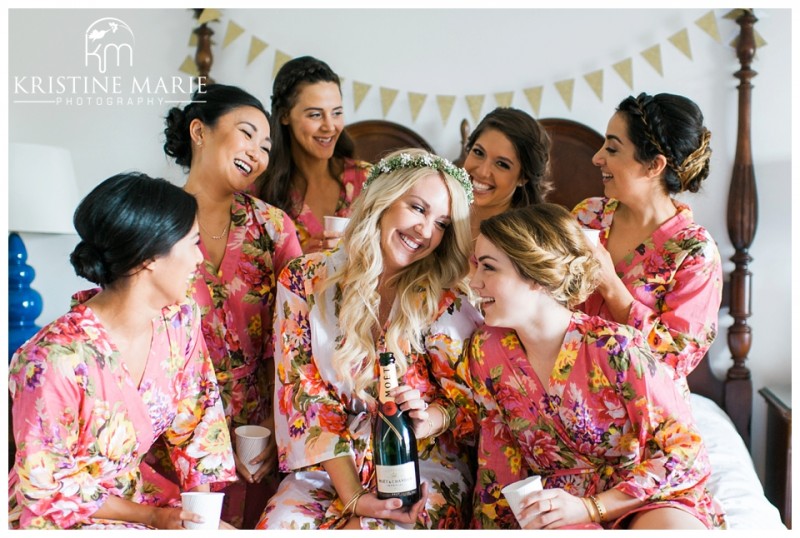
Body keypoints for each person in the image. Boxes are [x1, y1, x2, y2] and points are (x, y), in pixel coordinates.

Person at [256, 149, 483, 529]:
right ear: (383, 199)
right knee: (282, 526)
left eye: (442, 223)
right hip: (331, 466)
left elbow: (472, 402)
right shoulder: (306, 280)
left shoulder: (450, 299)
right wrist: (355, 499)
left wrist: (426, 420)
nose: (426, 231)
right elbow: (305, 396)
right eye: (417, 208)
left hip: (423, 464)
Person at [467, 203, 724, 530]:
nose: (474, 283)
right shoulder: (487, 349)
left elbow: (685, 451)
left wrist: (593, 507)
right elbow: (498, 459)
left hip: (643, 493)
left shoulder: (616, 347)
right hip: (560, 508)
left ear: (535, 272)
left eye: (488, 268)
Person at [8, 172, 236, 529]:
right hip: (63, 514)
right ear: (149, 258)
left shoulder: (178, 322)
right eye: (193, 243)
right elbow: (45, 486)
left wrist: (199, 519)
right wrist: (153, 517)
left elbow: (199, 425)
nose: (200, 259)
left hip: (140, 496)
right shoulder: (51, 360)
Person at [159, 83, 302, 528]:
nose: (258, 154)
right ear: (199, 131)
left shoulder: (273, 228)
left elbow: (302, 335)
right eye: (247, 134)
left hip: (259, 432)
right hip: (174, 430)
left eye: (265, 147)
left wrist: (283, 430)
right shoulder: (156, 223)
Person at [572, 92, 722, 383]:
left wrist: (611, 286)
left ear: (654, 165)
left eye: (612, 149)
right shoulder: (587, 216)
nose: (596, 157)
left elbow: (674, 359)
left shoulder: (694, 253)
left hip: (639, 406)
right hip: (564, 385)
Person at [254, 55, 371, 254]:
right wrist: (298, 263)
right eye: (315, 115)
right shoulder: (259, 192)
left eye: (336, 113)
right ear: (284, 115)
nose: (329, 126)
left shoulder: (369, 180)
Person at [463, 107, 551, 246]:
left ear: (523, 178)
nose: (482, 172)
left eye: (502, 164)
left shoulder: (527, 244)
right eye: (479, 152)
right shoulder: (436, 216)